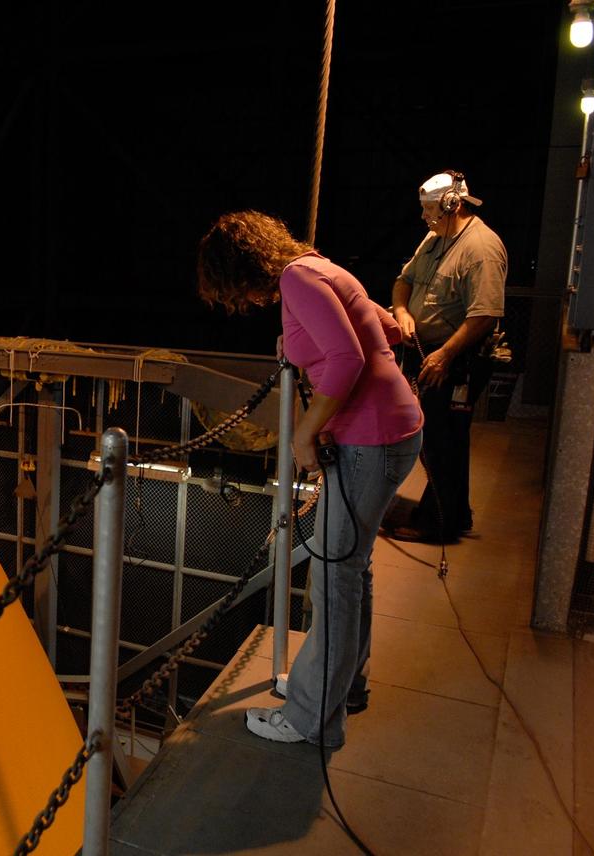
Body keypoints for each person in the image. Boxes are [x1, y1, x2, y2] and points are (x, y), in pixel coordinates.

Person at [196, 211, 423, 747]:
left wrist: (304, 434)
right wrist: (299, 341)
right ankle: (342, 687)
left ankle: (310, 716)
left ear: (240, 268)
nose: (243, 301)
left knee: (334, 578)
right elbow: (386, 330)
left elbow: (347, 358)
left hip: (368, 439)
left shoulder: (297, 279)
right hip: (393, 430)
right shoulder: (319, 266)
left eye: (233, 289)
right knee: (351, 569)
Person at [387, 170, 507, 543]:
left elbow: (484, 314)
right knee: (446, 438)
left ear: (451, 204)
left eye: (428, 209)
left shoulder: (481, 249)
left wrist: (445, 355)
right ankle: (456, 513)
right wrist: (402, 311)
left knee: (440, 441)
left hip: (456, 361)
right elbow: (404, 281)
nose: (424, 216)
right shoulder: (435, 237)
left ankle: (437, 524)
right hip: (429, 353)